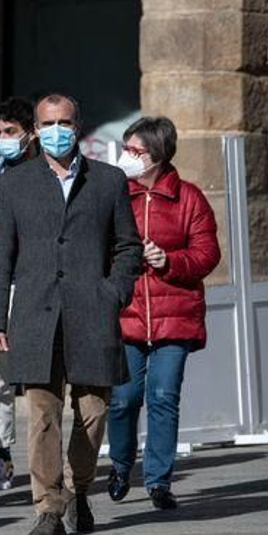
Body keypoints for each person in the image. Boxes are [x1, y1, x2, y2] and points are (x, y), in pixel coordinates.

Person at [0, 94, 143, 535]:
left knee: (93, 412)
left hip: (92, 311)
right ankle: (48, 507)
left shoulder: (108, 181)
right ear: (36, 128)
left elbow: (128, 246)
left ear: (78, 125)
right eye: (48, 122)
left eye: (65, 122)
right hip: (36, 314)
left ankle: (78, 489)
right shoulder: (14, 185)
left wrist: (115, 291)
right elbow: (1, 254)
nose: (57, 130)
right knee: (43, 416)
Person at [107, 116, 220, 511]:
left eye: (135, 151)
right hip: (128, 313)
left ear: (158, 154)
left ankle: (158, 480)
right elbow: (97, 246)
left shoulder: (189, 198)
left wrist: (168, 260)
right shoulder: (116, 194)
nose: (127, 157)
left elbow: (207, 254)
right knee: (123, 398)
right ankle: (120, 464)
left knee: (163, 396)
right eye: (126, 148)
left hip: (176, 316)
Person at [0, 96, 39, 491]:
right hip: (2, 284)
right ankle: (3, 454)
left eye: (10, 133)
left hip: (38, 284)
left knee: (44, 375)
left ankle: (46, 453)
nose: (3, 140)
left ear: (28, 134)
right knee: (0, 379)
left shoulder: (49, 173)